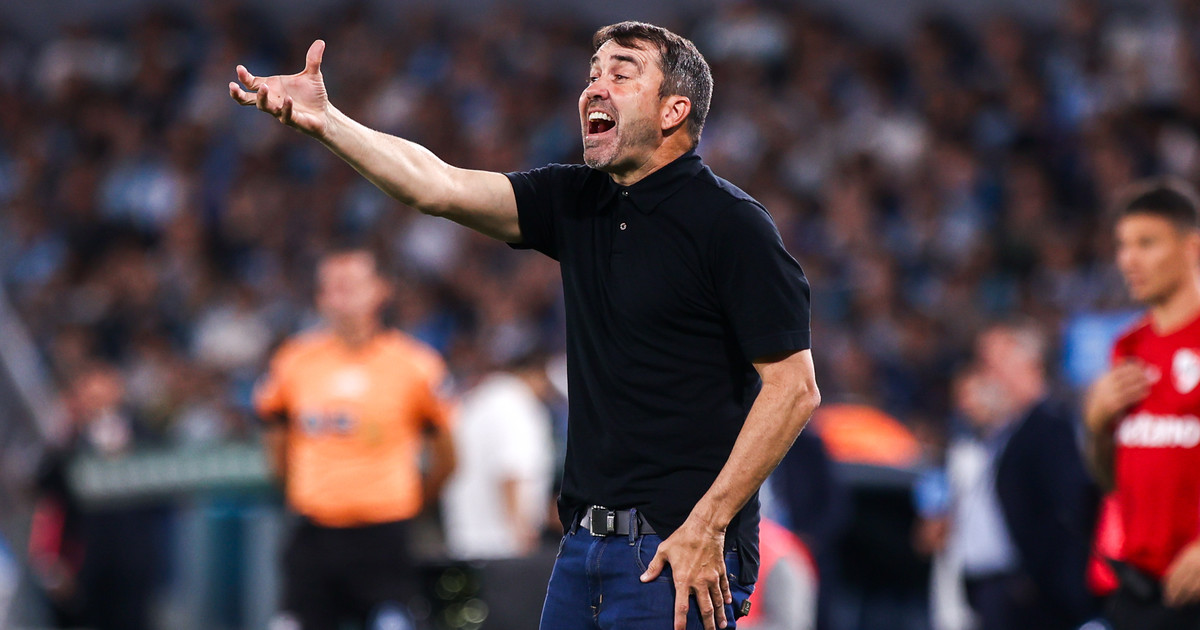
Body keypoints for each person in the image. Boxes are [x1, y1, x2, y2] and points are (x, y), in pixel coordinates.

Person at [232, 19, 819, 630]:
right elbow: (439, 186)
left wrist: (708, 524)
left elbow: (794, 389)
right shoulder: (578, 199)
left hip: (678, 549)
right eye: (593, 74)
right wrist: (329, 122)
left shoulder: (732, 225)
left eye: (621, 75)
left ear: (674, 110)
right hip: (582, 549)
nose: (595, 88)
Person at [254, 248, 456, 630]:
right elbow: (275, 442)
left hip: (384, 534)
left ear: (381, 290)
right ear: (319, 297)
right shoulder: (293, 362)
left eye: (351, 285)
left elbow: (447, 455)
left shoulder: (415, 365)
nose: (341, 296)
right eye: (332, 287)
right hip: (314, 532)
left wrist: (412, 498)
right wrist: (303, 489)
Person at [1083, 179, 1200, 629]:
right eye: (1122, 245)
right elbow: (1111, 481)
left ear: (1192, 248)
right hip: (1139, 594)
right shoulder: (1127, 347)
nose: (1128, 260)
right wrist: (1096, 425)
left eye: (1146, 243)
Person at [441, 351, 557, 561]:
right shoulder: (516, 404)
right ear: (536, 374)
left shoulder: (482, 399)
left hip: (467, 533)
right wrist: (520, 530)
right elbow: (510, 470)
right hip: (502, 543)